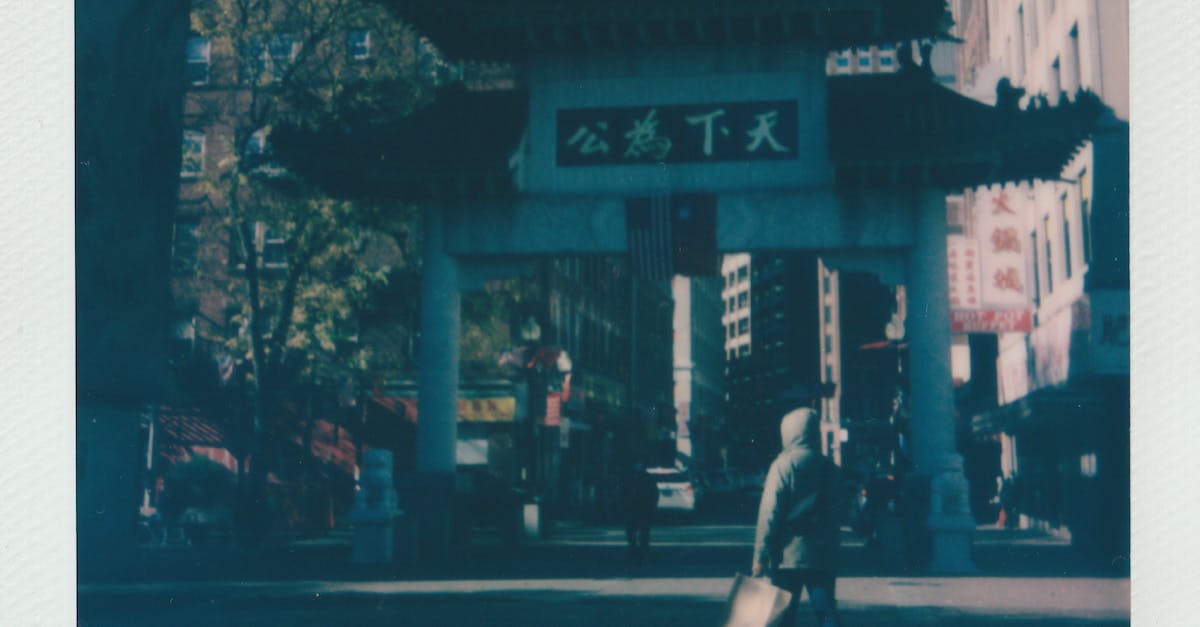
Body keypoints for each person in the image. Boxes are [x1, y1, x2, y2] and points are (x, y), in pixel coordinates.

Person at [752, 407, 847, 627]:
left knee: (784, 616)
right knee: (826, 613)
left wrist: (760, 555)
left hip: (786, 556)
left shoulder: (783, 466)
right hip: (822, 554)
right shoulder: (829, 468)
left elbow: (769, 513)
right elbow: (841, 510)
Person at [620, 462, 658, 564]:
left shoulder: (648, 478)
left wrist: (652, 507)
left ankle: (643, 551)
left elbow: (654, 494)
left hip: (644, 508)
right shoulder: (628, 478)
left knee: (644, 531)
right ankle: (633, 549)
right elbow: (622, 493)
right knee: (631, 531)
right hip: (631, 508)